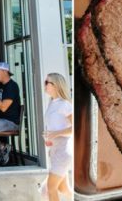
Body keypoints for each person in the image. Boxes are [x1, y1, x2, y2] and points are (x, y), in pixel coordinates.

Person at [42, 73, 73, 201]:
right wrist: (49, 138)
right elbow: (54, 128)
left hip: (63, 151)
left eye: (46, 82)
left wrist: (55, 134)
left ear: (55, 85)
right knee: (63, 188)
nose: (44, 85)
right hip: (55, 150)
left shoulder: (65, 104)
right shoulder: (52, 103)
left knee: (50, 188)